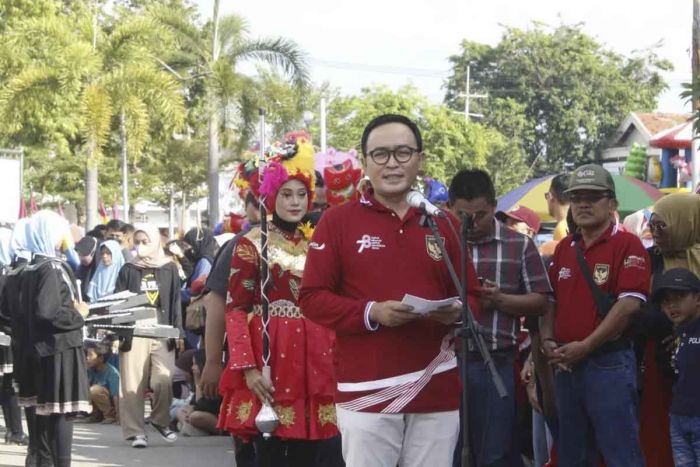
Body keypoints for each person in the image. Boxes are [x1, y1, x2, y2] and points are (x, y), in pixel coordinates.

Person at [300, 114, 479, 467]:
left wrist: (458, 310)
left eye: (402, 152)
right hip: (365, 386)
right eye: (380, 154)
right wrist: (372, 312)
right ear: (365, 162)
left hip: (436, 383)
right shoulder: (338, 221)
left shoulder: (444, 221)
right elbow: (311, 298)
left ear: (419, 159)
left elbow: (473, 293)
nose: (392, 163)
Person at [217, 138, 339, 466]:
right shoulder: (252, 245)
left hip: (314, 357)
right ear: (271, 197)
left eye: (302, 194)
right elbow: (236, 309)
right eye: (286, 194)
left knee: (309, 453)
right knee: (267, 453)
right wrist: (249, 370)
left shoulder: (319, 242)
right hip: (269, 359)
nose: (295, 202)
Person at [541, 164, 649, 467]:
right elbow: (549, 299)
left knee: (621, 454)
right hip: (566, 365)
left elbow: (629, 305)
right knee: (572, 455)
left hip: (608, 364)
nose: (583, 204)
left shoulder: (628, 244)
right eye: (577, 198)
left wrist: (585, 346)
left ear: (612, 203)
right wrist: (548, 337)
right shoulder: (565, 247)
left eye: (593, 196)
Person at [447, 170, 551, 467]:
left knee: (493, 452)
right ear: (450, 208)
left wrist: (500, 300)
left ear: (494, 207)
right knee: (449, 450)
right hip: (445, 363)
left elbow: (542, 301)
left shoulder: (519, 245)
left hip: (495, 360)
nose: (471, 223)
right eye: (462, 215)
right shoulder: (440, 244)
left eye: (479, 215)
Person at [20, 210, 91, 466]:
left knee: (47, 420)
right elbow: (47, 312)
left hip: (44, 349)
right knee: (60, 416)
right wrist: (78, 314)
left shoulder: (32, 267)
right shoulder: (49, 267)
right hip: (58, 349)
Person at [635, 192, 700, 466]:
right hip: (658, 363)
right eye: (653, 224)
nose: (655, 232)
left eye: (663, 225)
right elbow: (637, 307)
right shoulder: (649, 259)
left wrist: (688, 334)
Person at [115, 223, 182, 448]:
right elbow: (120, 303)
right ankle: (136, 432)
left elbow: (175, 302)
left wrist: (178, 331)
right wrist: (119, 333)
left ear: (155, 241)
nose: (141, 247)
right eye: (137, 242)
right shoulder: (128, 269)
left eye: (146, 242)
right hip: (134, 329)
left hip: (162, 326)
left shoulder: (168, 267)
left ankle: (160, 420)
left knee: (164, 377)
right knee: (132, 382)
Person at [651, 268, 700, 467]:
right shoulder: (678, 334)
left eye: (679, 296)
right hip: (679, 417)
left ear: (697, 298)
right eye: (666, 301)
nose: (672, 305)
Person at [0, 227, 27, 446]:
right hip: (6, 335)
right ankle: (15, 431)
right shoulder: (9, 273)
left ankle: (14, 430)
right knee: (9, 386)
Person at [175, 349, 221, 436]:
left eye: (195, 364)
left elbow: (201, 405)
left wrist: (197, 382)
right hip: (201, 410)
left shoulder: (212, 380)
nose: (192, 367)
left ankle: (190, 428)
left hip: (215, 416)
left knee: (196, 417)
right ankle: (191, 428)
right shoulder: (199, 380)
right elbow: (194, 404)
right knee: (180, 410)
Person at [84, 341, 120, 424]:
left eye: (90, 355)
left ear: (101, 358)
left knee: (94, 390)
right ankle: (95, 415)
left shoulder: (111, 372)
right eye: (87, 354)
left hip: (112, 404)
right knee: (83, 387)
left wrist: (119, 415)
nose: (87, 358)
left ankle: (110, 416)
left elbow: (116, 396)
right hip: (98, 403)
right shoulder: (90, 370)